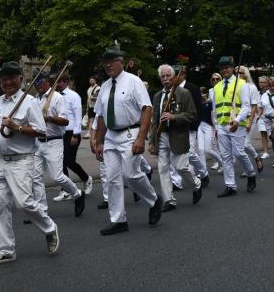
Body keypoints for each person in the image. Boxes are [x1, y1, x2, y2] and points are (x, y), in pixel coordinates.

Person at [0, 61, 59, 265]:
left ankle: (49, 228)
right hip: (1, 161)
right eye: (4, 79)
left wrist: (17, 128)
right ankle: (6, 250)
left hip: (22, 160)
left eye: (11, 78)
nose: (7, 82)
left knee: (24, 202)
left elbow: (41, 131)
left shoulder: (30, 102)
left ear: (21, 79)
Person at [94, 47, 162, 235]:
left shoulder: (134, 81)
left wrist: (141, 137)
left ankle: (154, 200)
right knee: (112, 179)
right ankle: (118, 220)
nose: (108, 65)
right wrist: (98, 142)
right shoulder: (105, 86)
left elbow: (147, 109)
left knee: (130, 175)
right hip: (110, 137)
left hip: (130, 134)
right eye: (105, 62)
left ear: (121, 61)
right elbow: (100, 116)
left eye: (112, 60)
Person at [149, 65, 202, 211]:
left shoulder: (184, 93)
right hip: (161, 136)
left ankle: (196, 183)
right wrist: (152, 140)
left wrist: (174, 117)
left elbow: (192, 115)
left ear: (174, 77)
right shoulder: (157, 96)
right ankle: (169, 200)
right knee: (163, 168)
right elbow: (154, 120)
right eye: (162, 76)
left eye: (168, 76)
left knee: (181, 167)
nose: (165, 79)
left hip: (177, 135)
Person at [33, 71, 85, 217]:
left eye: (39, 81)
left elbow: (65, 121)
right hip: (38, 142)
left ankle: (77, 194)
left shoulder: (57, 98)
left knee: (57, 177)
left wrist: (49, 118)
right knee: (35, 177)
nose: (37, 85)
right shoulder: (35, 100)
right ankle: (41, 210)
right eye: (35, 82)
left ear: (47, 82)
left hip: (54, 140)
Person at [212, 56, 257, 197]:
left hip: (237, 125)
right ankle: (230, 185)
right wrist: (216, 126)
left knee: (238, 153)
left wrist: (237, 120)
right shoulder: (217, 87)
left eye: (227, 67)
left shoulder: (242, 84)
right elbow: (215, 108)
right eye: (222, 68)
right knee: (226, 156)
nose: (224, 70)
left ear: (232, 68)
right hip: (222, 125)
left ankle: (250, 173)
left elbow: (246, 106)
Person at [53, 74, 92, 201]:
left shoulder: (73, 96)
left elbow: (77, 115)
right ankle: (66, 190)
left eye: (58, 82)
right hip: (59, 133)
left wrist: (76, 134)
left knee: (69, 161)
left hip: (71, 133)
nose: (56, 84)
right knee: (60, 162)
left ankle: (86, 178)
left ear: (65, 82)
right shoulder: (55, 96)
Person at [177, 67, 209, 186]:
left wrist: (195, 124)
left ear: (183, 75)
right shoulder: (172, 89)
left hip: (190, 126)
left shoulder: (192, 88)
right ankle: (176, 182)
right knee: (174, 154)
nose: (175, 77)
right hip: (177, 127)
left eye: (177, 74)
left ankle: (203, 172)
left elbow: (198, 108)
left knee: (190, 153)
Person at [236, 66, 263, 173]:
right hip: (239, 118)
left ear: (246, 74)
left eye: (241, 73)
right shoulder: (236, 87)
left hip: (250, 118)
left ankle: (256, 157)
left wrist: (250, 122)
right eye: (236, 73)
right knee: (240, 146)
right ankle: (247, 167)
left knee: (245, 144)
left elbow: (253, 107)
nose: (238, 75)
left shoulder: (251, 87)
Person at [197, 86, 222, 173]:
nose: (200, 95)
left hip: (208, 127)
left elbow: (213, 116)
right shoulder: (198, 104)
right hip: (199, 127)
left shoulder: (211, 103)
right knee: (200, 150)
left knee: (208, 150)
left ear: (205, 94)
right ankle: (203, 171)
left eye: (201, 93)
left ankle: (221, 163)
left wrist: (216, 129)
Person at [256, 75, 272, 159]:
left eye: (263, 82)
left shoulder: (269, 92)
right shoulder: (257, 93)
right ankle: (265, 151)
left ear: (267, 83)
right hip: (260, 116)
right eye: (260, 82)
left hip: (269, 117)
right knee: (263, 134)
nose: (261, 84)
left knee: (271, 135)